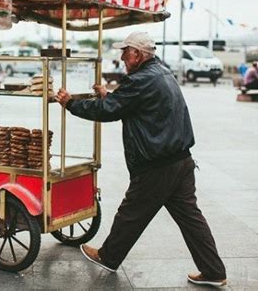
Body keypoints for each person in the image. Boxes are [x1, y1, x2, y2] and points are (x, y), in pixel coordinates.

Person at [55, 31, 227, 287]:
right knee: (191, 219)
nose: (122, 56)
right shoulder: (161, 73)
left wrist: (70, 104)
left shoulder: (140, 80)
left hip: (157, 164)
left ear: (137, 54)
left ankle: (109, 256)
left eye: (126, 51)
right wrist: (109, 94)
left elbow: (109, 111)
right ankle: (214, 271)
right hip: (181, 160)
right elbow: (134, 104)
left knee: (131, 213)